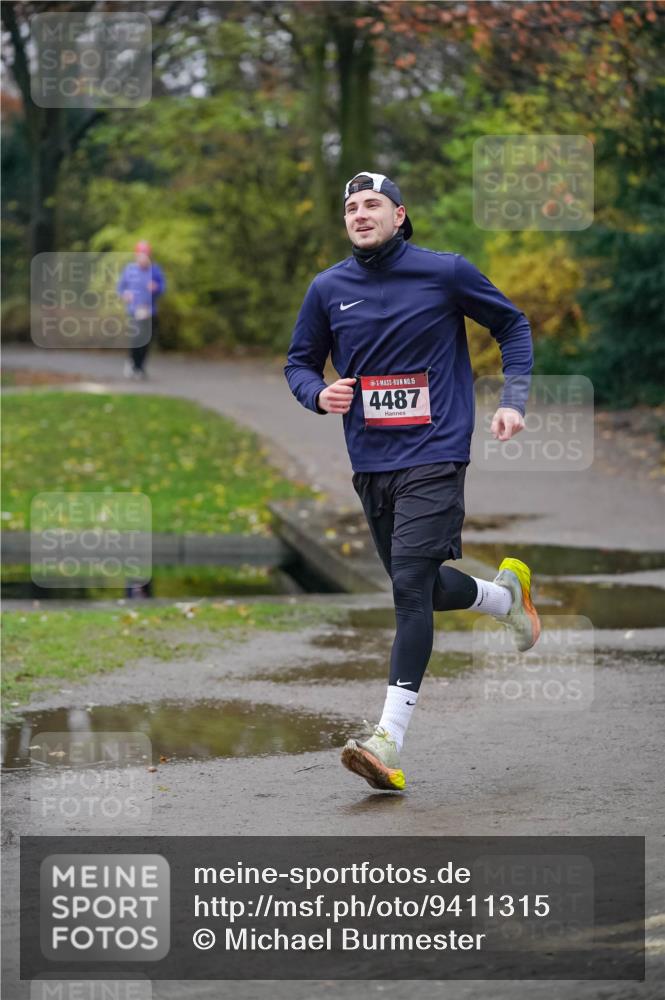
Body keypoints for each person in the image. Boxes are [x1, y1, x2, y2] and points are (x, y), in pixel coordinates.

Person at [285, 171, 541, 793]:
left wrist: (513, 399)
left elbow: (513, 325)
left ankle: (386, 740)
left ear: (400, 215)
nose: (360, 213)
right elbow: (298, 363)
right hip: (371, 462)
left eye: (373, 204)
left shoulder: (445, 272)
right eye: (350, 207)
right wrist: (321, 393)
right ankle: (506, 598)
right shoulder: (328, 288)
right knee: (419, 585)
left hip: (437, 451)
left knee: (406, 594)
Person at [117, 240, 166, 379]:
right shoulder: (129, 270)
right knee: (137, 338)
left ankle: (140, 367)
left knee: (147, 340)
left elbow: (163, 287)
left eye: (146, 255)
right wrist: (125, 294)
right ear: (136, 255)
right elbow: (121, 287)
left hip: (149, 310)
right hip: (134, 310)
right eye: (140, 255)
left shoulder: (155, 270)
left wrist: (156, 288)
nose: (143, 258)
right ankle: (133, 363)